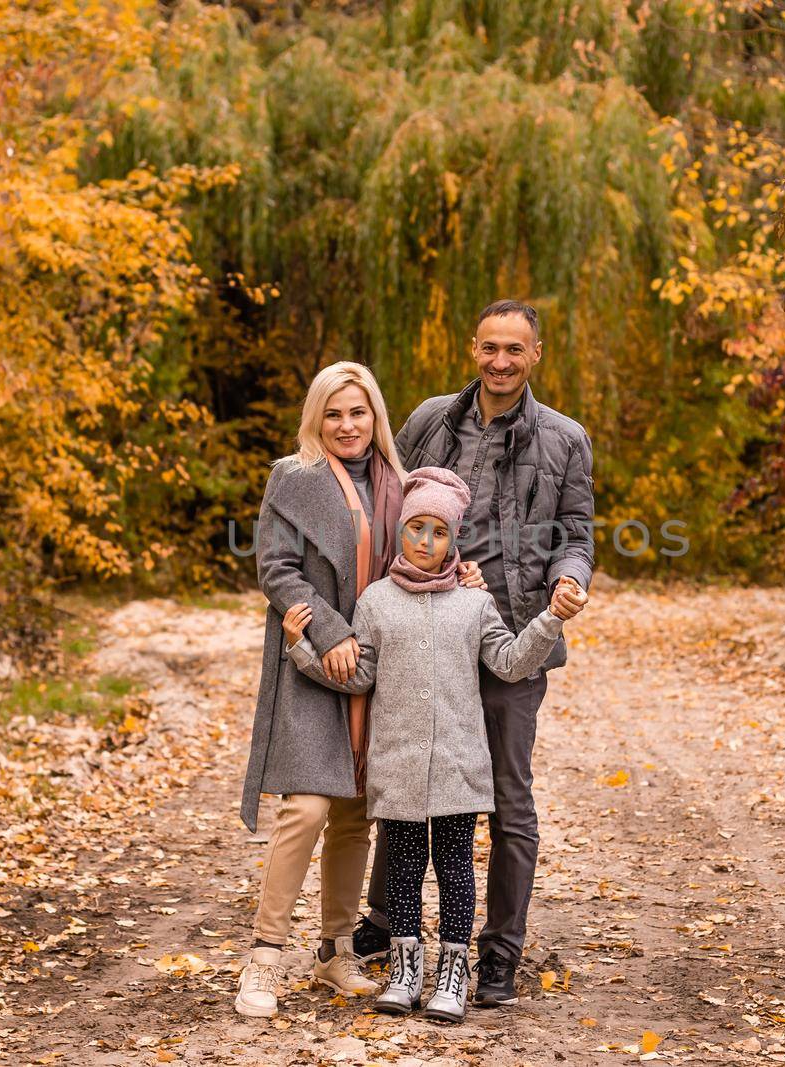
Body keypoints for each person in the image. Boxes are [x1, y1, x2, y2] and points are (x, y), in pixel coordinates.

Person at [354, 300, 596, 1008]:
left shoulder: (563, 439)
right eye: (489, 347)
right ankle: (383, 926)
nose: (499, 361)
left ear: (535, 355)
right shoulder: (431, 421)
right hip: (419, 630)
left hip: (509, 634)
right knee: (404, 774)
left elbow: (577, 531)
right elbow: (382, 506)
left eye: (513, 350)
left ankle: (498, 953)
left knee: (508, 798)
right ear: (473, 348)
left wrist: (569, 579)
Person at [281, 468, 589, 1023]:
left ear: (455, 539)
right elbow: (359, 677)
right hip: (396, 765)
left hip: (458, 766)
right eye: (416, 528)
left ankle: (453, 971)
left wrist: (549, 620)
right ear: (401, 532)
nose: (426, 542)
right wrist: (303, 649)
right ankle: (405, 969)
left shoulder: (474, 605)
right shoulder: (375, 602)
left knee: (454, 869)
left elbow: (511, 662)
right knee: (400, 869)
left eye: (439, 532)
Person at [235, 363, 484, 1018]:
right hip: (316, 661)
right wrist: (333, 632)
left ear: (376, 416)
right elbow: (276, 568)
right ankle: (262, 958)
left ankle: (334, 951)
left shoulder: (399, 486)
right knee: (308, 809)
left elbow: (425, 554)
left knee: (353, 815)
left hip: (382, 671)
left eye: (359, 412)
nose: (347, 425)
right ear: (317, 417)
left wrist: (467, 577)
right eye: (335, 413)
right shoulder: (294, 477)